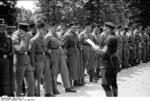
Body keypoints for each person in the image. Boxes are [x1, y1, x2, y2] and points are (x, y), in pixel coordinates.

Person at [89, 22, 119, 97]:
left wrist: (95, 49)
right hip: (113, 62)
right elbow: (107, 49)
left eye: (105, 29)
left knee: (105, 84)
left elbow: (103, 53)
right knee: (113, 83)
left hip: (107, 63)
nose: (103, 30)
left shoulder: (109, 38)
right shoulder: (113, 37)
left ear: (109, 29)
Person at [45, 27, 76, 94]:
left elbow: (61, 44)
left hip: (60, 52)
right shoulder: (48, 36)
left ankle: (67, 87)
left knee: (65, 70)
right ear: (50, 27)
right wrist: (49, 52)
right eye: (53, 27)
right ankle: (54, 89)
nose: (55, 28)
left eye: (55, 26)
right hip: (53, 53)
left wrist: (63, 53)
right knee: (54, 72)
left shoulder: (56, 34)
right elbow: (45, 46)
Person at [29, 22, 53, 96]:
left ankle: (48, 92)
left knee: (48, 75)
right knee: (38, 77)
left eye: (44, 29)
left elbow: (45, 48)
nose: (43, 31)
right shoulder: (33, 40)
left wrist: (47, 51)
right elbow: (31, 53)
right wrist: (32, 63)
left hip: (45, 58)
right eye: (41, 29)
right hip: (38, 59)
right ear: (38, 29)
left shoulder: (44, 38)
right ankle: (37, 94)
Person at [12, 22, 35, 96]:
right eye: (25, 31)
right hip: (19, 61)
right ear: (20, 30)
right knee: (18, 84)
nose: (26, 33)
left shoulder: (27, 35)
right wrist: (22, 38)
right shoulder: (15, 36)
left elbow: (30, 47)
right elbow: (21, 50)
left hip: (27, 60)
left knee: (31, 83)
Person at [0, 19, 13, 96]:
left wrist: (7, 53)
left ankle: (5, 93)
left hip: (6, 60)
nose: (2, 28)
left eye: (3, 27)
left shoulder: (8, 38)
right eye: (0, 26)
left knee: (5, 77)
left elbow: (10, 49)